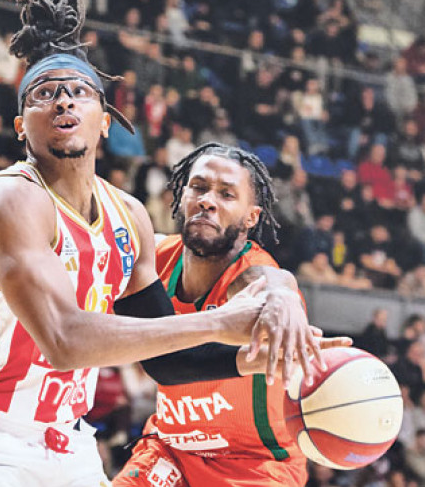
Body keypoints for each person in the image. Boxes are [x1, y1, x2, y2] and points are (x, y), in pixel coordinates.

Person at [0, 0, 328, 486]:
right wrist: (221, 323)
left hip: (68, 445)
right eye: (44, 93)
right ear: (21, 127)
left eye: (78, 91)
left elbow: (165, 362)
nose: (63, 100)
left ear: (105, 121)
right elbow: (64, 340)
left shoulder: (128, 216)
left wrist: (253, 356)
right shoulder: (11, 200)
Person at [114, 143, 351, 487]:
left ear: (251, 217)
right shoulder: (155, 259)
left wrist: (284, 293)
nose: (207, 201)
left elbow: (269, 282)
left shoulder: (253, 274)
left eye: (226, 194)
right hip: (171, 450)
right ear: (181, 197)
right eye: (198, 187)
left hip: (256, 464)